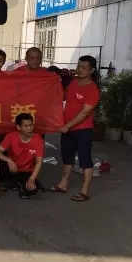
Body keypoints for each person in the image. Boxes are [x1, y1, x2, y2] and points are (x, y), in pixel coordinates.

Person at [51, 55, 101, 201]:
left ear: (92, 70)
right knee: (67, 159)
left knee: (85, 160)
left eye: (84, 68)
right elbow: (63, 98)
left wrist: (67, 125)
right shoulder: (73, 83)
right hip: (67, 129)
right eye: (79, 66)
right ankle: (63, 184)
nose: (80, 69)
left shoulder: (92, 89)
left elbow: (85, 112)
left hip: (82, 130)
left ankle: (84, 192)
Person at [0, 113, 46, 201]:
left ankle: (20, 185)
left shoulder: (38, 139)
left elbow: (39, 162)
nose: (29, 128)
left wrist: (32, 178)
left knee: (33, 189)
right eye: (26, 126)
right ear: (19, 127)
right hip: (12, 169)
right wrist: (9, 160)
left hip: (26, 171)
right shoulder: (11, 136)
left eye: (31, 125)